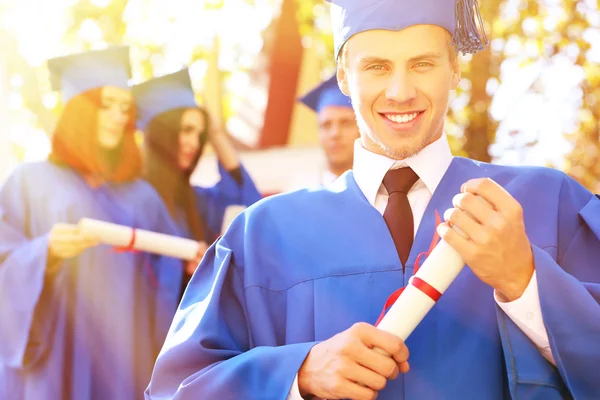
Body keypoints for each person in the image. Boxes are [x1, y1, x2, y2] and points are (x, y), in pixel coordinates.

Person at [146, 1, 600, 399]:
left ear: (455, 68)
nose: (400, 91)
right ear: (344, 74)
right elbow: (177, 389)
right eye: (376, 67)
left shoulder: (548, 205)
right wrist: (297, 375)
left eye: (422, 63)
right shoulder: (264, 235)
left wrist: (528, 283)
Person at [0, 47, 185, 400]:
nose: (119, 116)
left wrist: (192, 264)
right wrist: (44, 252)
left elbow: (171, 277)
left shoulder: (142, 195)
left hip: (123, 361)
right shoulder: (28, 182)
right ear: (78, 111)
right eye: (106, 105)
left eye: (125, 107)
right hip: (54, 359)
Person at [133, 69, 261, 278]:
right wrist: (179, 264)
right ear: (161, 131)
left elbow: (245, 203)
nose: (195, 143)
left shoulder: (193, 201)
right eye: (186, 129)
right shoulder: (133, 199)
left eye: (200, 135)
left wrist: (215, 133)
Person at [297, 74, 359, 186]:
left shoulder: (384, 195)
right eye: (326, 125)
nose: (335, 133)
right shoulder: (299, 196)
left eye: (346, 123)